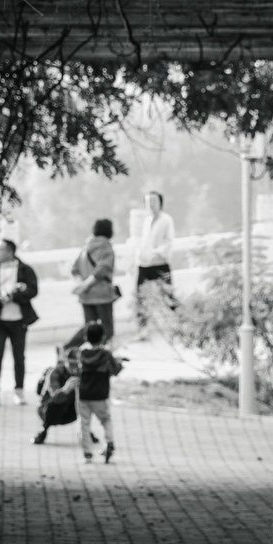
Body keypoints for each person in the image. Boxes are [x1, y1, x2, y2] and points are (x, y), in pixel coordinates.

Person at [0, 237, 39, 404]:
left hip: (19, 319)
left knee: (19, 357)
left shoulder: (25, 270)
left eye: (1, 250)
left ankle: (19, 390)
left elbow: (33, 290)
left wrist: (15, 295)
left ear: (10, 252)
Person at [72, 322, 122, 463]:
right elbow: (115, 370)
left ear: (86, 337)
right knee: (105, 419)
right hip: (101, 394)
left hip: (83, 394)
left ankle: (87, 453)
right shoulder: (106, 354)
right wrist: (119, 363)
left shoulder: (81, 354)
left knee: (84, 423)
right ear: (103, 337)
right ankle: (109, 442)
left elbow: (75, 371)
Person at [134, 189, 178, 331]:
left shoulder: (166, 220)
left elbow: (169, 242)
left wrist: (156, 253)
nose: (151, 204)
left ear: (160, 203)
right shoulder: (146, 221)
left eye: (154, 201)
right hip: (145, 264)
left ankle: (180, 322)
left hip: (160, 263)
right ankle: (143, 329)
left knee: (167, 295)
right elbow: (143, 242)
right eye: (148, 201)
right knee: (140, 297)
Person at [73, 217, 120, 341]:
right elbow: (102, 269)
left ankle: (66, 348)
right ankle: (104, 357)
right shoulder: (106, 247)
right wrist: (87, 284)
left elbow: (75, 269)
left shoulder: (86, 248)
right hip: (102, 294)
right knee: (107, 329)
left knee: (89, 329)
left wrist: (81, 285)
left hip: (86, 295)